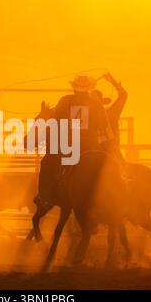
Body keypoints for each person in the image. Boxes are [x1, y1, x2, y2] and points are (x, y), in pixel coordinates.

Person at [33, 72, 114, 208]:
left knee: (47, 162)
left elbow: (56, 121)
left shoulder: (65, 101)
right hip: (91, 146)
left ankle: (44, 196)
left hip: (69, 145)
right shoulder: (96, 104)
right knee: (107, 167)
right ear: (89, 88)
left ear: (74, 87)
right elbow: (104, 127)